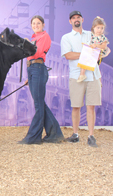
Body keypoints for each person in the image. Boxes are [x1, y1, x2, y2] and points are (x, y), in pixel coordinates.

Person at [18, 15, 64, 145]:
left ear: (43, 25)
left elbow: (36, 53)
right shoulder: (34, 38)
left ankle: (33, 137)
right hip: (32, 69)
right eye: (33, 23)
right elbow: (29, 57)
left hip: (38, 67)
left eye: (38, 23)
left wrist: (27, 46)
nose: (36, 25)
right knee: (40, 103)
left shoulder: (44, 37)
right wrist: (29, 77)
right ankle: (55, 134)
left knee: (38, 104)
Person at [61, 11, 102, 147]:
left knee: (91, 106)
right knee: (76, 106)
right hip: (76, 75)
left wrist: (98, 50)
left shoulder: (91, 35)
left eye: (78, 17)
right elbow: (68, 55)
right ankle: (75, 134)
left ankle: (91, 136)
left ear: (82, 20)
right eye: (73, 18)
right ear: (70, 21)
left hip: (93, 75)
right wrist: (87, 52)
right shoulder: (66, 38)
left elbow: (100, 48)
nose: (76, 20)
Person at [77, 16, 110, 82]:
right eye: (98, 28)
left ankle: (96, 78)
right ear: (93, 27)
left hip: (99, 52)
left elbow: (104, 46)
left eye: (102, 28)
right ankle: (82, 74)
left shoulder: (103, 38)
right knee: (84, 58)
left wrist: (97, 45)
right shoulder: (90, 35)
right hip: (90, 50)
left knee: (94, 61)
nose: (100, 30)